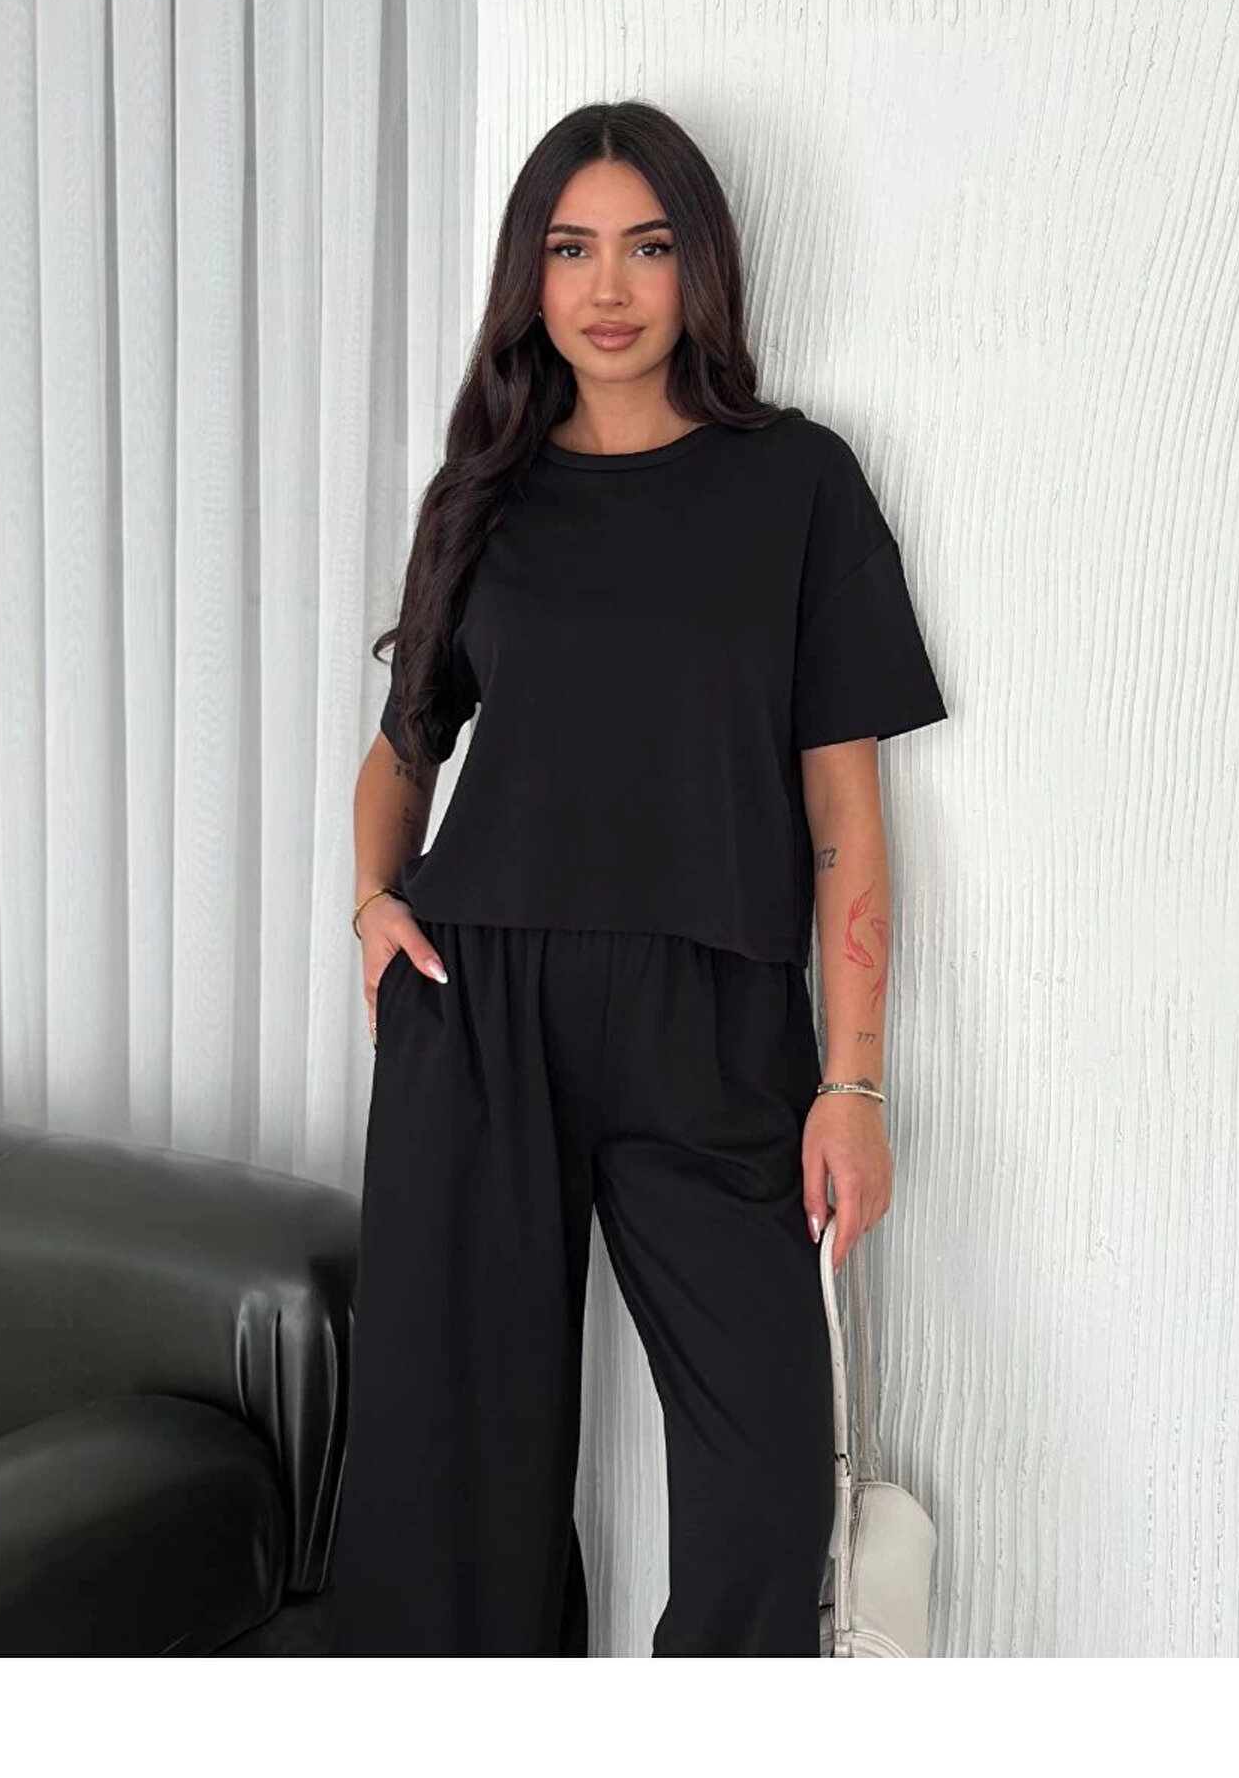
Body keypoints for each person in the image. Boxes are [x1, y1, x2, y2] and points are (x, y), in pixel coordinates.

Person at [326, 99, 947, 1658]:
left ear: (699, 269)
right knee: (452, 1488)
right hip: (484, 1009)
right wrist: (373, 905)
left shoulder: (797, 484)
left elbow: (845, 816)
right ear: (530, 279)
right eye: (571, 249)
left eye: (648, 247)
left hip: (718, 1022)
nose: (608, 287)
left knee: (765, 1498)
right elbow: (404, 751)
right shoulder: (483, 495)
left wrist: (854, 1082)